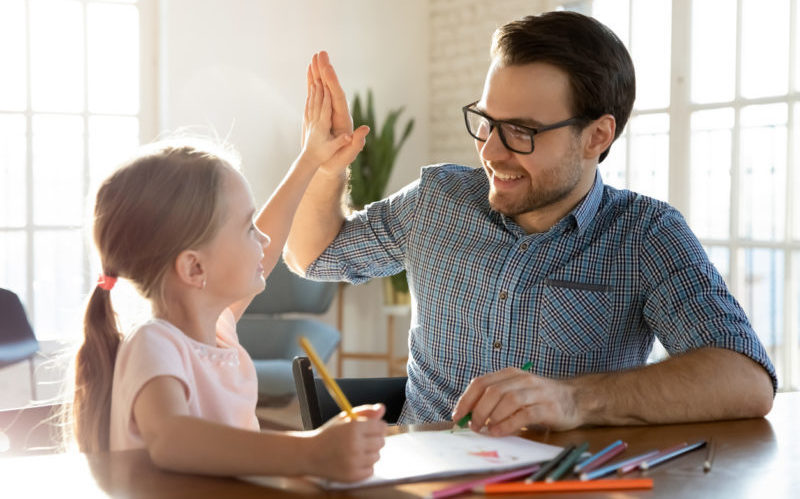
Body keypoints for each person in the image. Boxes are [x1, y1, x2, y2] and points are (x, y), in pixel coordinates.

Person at [284, 12, 776, 436]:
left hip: (556, 482)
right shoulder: (437, 201)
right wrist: (328, 167)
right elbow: (313, 255)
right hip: (422, 480)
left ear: (596, 136)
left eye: (522, 131)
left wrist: (571, 400)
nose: (491, 153)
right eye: (487, 121)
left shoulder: (645, 235)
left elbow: (746, 380)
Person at [72, 62, 386, 482]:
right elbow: (172, 440)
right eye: (246, 228)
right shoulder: (154, 345)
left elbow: (269, 244)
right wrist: (308, 452)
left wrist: (311, 159)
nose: (261, 240)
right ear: (195, 268)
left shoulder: (215, 330)